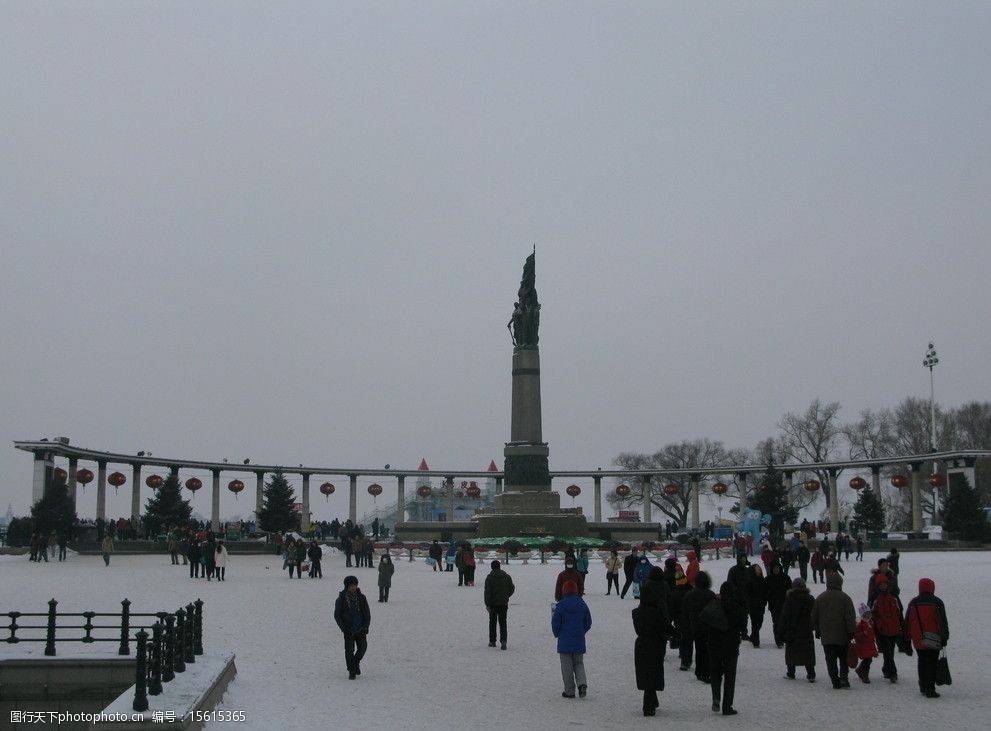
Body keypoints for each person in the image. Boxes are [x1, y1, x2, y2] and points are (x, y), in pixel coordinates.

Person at [704, 582, 746, 716]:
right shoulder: (738, 608)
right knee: (730, 675)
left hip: (714, 643)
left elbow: (705, 621)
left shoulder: (714, 605)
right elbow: (743, 627)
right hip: (731, 645)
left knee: (715, 672)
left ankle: (716, 696)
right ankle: (727, 706)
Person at [633, 573, 671, 716]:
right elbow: (665, 627)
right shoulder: (656, 613)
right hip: (656, 643)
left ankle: (652, 701)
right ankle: (648, 706)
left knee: (645, 673)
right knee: (653, 673)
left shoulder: (637, 613)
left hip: (641, 644)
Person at [905, 577, 949, 699]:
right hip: (933, 638)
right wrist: (944, 636)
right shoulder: (937, 602)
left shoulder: (913, 602)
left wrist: (907, 637)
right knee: (932, 663)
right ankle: (930, 688)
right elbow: (942, 621)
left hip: (918, 638)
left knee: (922, 661)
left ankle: (923, 685)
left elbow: (907, 621)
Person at [811, 572, 856, 689]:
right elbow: (850, 617)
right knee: (843, 659)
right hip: (842, 636)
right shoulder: (845, 598)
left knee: (830, 660)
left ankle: (835, 680)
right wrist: (851, 632)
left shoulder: (820, 598)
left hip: (827, 637)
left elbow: (814, 616)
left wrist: (817, 630)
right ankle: (844, 678)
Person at [552, 579, 592, 699]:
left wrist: (557, 634)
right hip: (579, 640)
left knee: (566, 667)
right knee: (579, 663)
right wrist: (581, 631)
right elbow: (588, 622)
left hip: (564, 642)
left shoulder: (561, 606)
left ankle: (569, 691)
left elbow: (555, 623)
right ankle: (582, 683)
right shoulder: (582, 604)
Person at [681, 570, 716, 683]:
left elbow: (685, 611)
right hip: (707, 626)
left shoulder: (689, 594)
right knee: (706, 650)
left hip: (694, 625)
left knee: (699, 648)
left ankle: (699, 671)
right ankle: (705, 672)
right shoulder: (710, 595)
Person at [779, 577, 816, 682]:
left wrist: (781, 631)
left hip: (792, 630)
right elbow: (815, 615)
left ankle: (791, 673)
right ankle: (811, 674)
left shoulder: (790, 599)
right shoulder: (810, 599)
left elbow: (785, 616)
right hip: (806, 631)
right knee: (808, 653)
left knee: (791, 653)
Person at [334, 576, 371, 680]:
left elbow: (367, 613)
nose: (353, 587)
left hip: (361, 628)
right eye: (351, 586)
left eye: (355, 585)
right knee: (349, 650)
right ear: (347, 587)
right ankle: (352, 671)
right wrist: (343, 627)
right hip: (348, 629)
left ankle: (355, 663)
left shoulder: (362, 598)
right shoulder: (341, 599)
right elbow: (337, 615)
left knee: (362, 648)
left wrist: (366, 625)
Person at [871, 572, 904, 683]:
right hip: (882, 630)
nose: (883, 586)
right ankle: (893, 673)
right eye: (881, 584)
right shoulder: (875, 598)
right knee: (888, 651)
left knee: (890, 651)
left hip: (893, 629)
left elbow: (899, 612)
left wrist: (901, 626)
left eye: (884, 584)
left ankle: (886, 669)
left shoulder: (893, 598)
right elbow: (871, 614)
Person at [484, 560, 515, 650]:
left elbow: (487, 592)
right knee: (503, 622)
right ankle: (503, 641)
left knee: (492, 622)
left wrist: (487, 604)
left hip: (493, 603)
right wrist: (506, 596)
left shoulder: (489, 578)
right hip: (503, 603)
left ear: (492, 567)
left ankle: (492, 641)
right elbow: (512, 588)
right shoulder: (507, 577)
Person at [726, 554, 753, 640]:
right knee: (736, 616)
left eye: (744, 558)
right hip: (736, 597)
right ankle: (736, 632)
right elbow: (730, 583)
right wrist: (735, 591)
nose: (743, 560)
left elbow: (750, 583)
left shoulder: (747, 570)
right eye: (742, 558)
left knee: (745, 617)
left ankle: (744, 633)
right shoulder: (733, 570)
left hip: (745, 597)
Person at [765, 561, 791, 648]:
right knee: (776, 623)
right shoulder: (768, 579)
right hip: (774, 605)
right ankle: (778, 640)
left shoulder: (786, 578)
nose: (776, 570)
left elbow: (791, 590)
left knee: (785, 622)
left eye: (777, 568)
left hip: (785, 604)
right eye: (774, 569)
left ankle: (784, 637)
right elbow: (764, 592)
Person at [854, 603, 879, 683]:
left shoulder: (870, 623)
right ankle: (865, 675)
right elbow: (856, 635)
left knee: (869, 660)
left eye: (869, 614)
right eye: (866, 614)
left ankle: (860, 670)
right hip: (863, 646)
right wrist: (863, 634)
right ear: (862, 615)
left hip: (870, 645)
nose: (868, 616)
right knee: (867, 661)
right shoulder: (860, 625)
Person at [746, 564, 767, 647]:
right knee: (754, 623)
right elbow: (747, 594)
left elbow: (765, 592)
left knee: (760, 622)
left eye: (759, 569)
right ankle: (756, 642)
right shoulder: (750, 581)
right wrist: (749, 603)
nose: (759, 570)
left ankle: (753, 636)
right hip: (752, 606)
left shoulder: (763, 580)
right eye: (757, 569)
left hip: (761, 605)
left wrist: (765, 600)